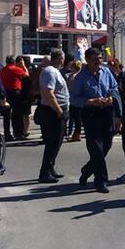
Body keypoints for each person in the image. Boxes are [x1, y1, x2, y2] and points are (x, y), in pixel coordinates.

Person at [71, 48, 122, 193]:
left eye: (100, 58)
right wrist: (90, 101)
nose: (98, 61)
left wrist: (111, 97)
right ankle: (101, 180)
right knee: (96, 148)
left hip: (106, 112)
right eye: (95, 59)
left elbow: (114, 88)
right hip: (91, 113)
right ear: (87, 60)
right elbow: (74, 98)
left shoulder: (106, 72)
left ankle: (87, 170)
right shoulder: (80, 77)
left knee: (106, 145)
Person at [36, 49, 68, 183]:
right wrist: (59, 111)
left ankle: (50, 168)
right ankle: (44, 173)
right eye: (63, 58)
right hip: (52, 111)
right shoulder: (49, 72)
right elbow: (49, 93)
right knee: (52, 143)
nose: (64, 61)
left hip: (57, 109)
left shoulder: (55, 71)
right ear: (59, 58)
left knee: (57, 142)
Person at [0, 55, 29, 142]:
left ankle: (7, 134)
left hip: (5, 92)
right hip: (15, 92)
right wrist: (23, 65)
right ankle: (18, 133)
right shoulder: (15, 69)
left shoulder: (1, 71)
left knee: (6, 115)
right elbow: (26, 75)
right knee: (17, 114)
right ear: (14, 62)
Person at [64, 60, 83, 142]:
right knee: (74, 117)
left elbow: (69, 86)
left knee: (75, 117)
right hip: (71, 98)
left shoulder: (75, 76)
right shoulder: (70, 75)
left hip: (75, 98)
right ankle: (72, 133)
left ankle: (75, 134)